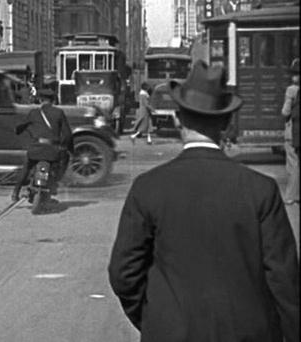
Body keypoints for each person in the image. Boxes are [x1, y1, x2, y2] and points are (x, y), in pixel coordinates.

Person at [108, 60, 299, 342]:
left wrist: (155, 318)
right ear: (227, 122)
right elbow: (285, 280)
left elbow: (124, 273)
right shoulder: (261, 190)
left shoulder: (148, 188)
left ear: (177, 120)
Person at [11, 88, 72, 202]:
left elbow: (21, 126)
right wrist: (67, 147)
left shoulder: (34, 113)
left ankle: (15, 192)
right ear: (53, 100)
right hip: (53, 151)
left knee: (27, 167)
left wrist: (17, 130)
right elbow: (67, 134)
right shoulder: (59, 113)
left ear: (40, 99)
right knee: (62, 163)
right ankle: (54, 185)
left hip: (36, 150)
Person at [282, 57, 299, 205]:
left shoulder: (291, 90)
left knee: (293, 163)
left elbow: (285, 112)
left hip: (293, 131)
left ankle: (291, 195)